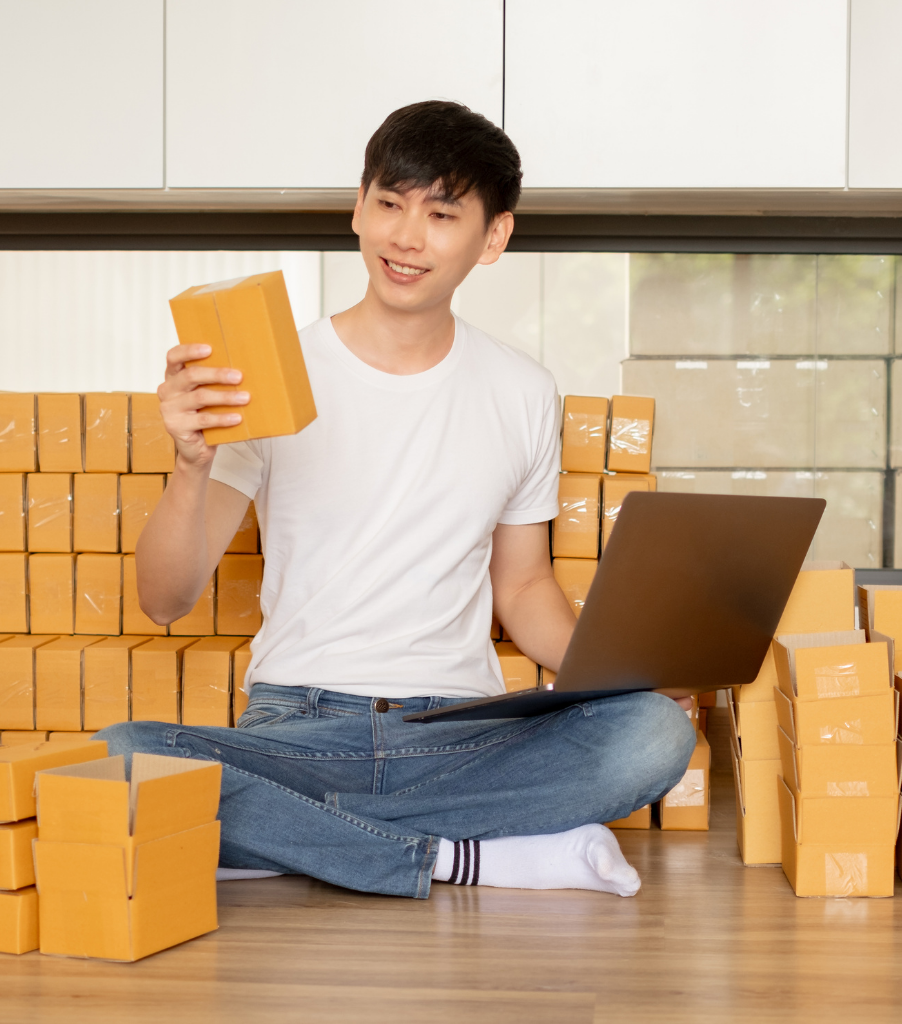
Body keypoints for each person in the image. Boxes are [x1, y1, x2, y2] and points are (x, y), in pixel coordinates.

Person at [97, 100, 695, 899]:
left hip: (462, 730)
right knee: (121, 752)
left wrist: (626, 676)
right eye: (388, 204)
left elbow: (521, 587)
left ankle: (295, 838)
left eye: (441, 214)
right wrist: (190, 463)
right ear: (358, 208)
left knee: (653, 733)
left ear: (493, 238)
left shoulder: (521, 391)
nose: (405, 238)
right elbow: (163, 599)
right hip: (298, 725)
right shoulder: (266, 375)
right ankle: (463, 856)